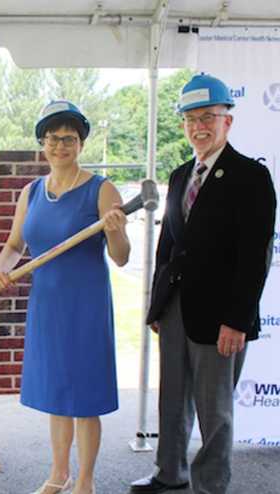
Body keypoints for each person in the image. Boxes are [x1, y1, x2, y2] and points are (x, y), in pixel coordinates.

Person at [131, 74, 276, 494]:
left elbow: (255, 259)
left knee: (215, 411)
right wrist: (158, 308)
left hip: (221, 317)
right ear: (184, 125)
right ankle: (169, 473)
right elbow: (168, 246)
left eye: (209, 116)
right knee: (172, 399)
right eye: (192, 119)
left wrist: (237, 321)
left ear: (227, 121)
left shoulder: (251, 178)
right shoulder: (180, 176)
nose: (200, 126)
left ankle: (209, 485)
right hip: (176, 308)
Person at [0, 100, 130, 494]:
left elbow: (121, 258)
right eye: (53, 138)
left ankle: (85, 480)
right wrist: (2, 268)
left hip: (85, 305)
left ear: (81, 143)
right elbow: (15, 245)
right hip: (47, 306)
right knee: (55, 392)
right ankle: (58, 474)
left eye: (69, 138)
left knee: (83, 396)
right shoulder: (31, 192)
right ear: (42, 143)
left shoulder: (101, 189)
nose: (60, 145)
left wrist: (116, 230)